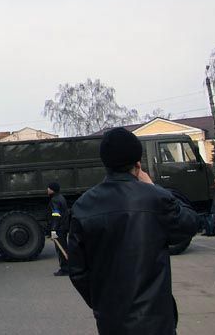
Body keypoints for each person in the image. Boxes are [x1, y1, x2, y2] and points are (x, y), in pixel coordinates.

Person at [68, 127, 199, 335]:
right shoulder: (155, 199)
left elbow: (77, 270)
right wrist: (157, 188)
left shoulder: (83, 206)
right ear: (138, 163)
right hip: (156, 321)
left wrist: (101, 303)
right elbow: (190, 224)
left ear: (105, 163)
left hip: (111, 321)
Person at [47, 181, 70, 276]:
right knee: (64, 247)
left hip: (59, 228)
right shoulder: (61, 197)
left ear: (52, 189)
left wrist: (53, 229)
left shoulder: (54, 200)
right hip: (64, 226)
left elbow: (56, 215)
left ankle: (65, 269)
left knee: (60, 249)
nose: (47, 189)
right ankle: (68, 267)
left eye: (48, 188)